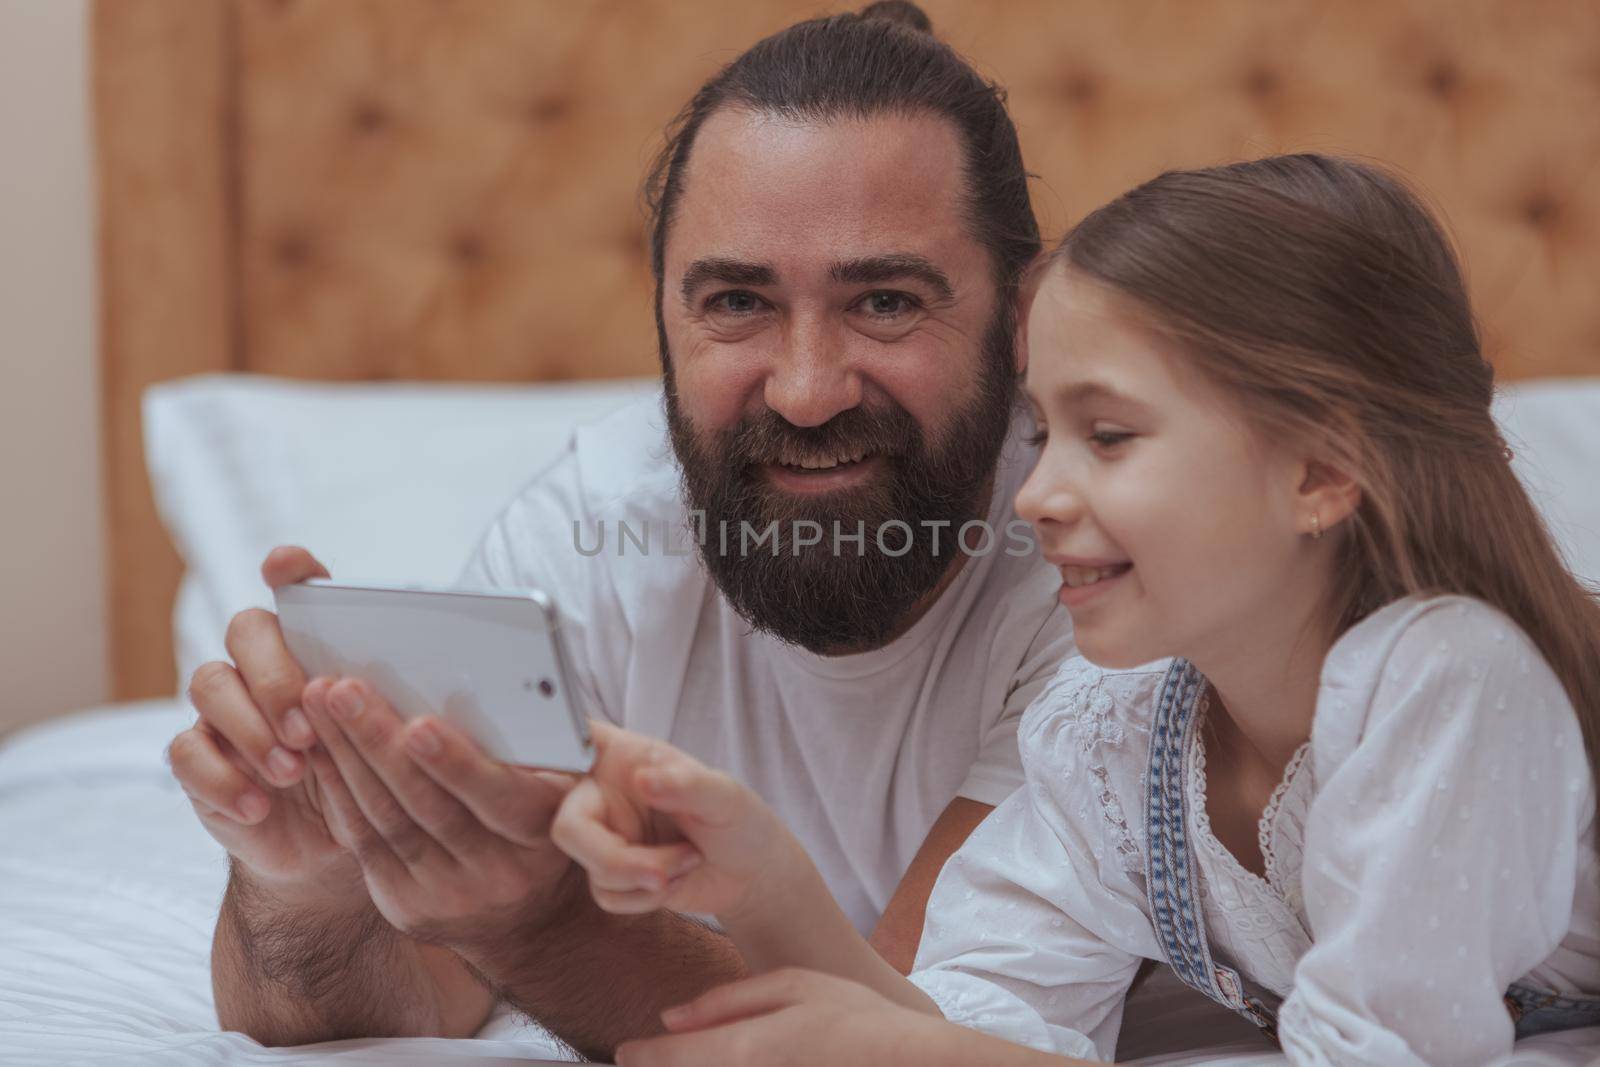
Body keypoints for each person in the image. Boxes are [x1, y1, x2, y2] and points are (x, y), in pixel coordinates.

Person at [164, 3, 1080, 1058]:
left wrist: (535, 916)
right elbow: (418, 995)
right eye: (737, 300)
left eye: (883, 300)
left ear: (1018, 322)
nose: (807, 389)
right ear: (663, 316)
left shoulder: (1100, 564)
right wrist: (312, 880)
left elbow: (913, 1038)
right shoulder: (593, 524)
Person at [549, 154, 1600, 1066]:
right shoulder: (1117, 727)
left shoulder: (1451, 678)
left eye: (1107, 435)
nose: (1036, 494)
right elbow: (972, 1023)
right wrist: (767, 886)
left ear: (1320, 468)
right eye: (1042, 430)